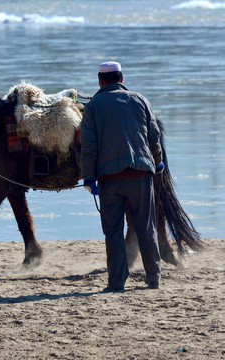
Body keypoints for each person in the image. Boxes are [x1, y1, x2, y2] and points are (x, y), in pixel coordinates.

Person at [80, 61, 164, 292]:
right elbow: (154, 136)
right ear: (122, 78)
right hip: (140, 174)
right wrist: (157, 163)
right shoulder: (141, 100)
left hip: (109, 179)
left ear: (100, 81)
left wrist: (88, 178)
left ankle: (116, 282)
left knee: (113, 231)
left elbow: (88, 145)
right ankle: (154, 278)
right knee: (146, 228)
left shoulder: (94, 106)